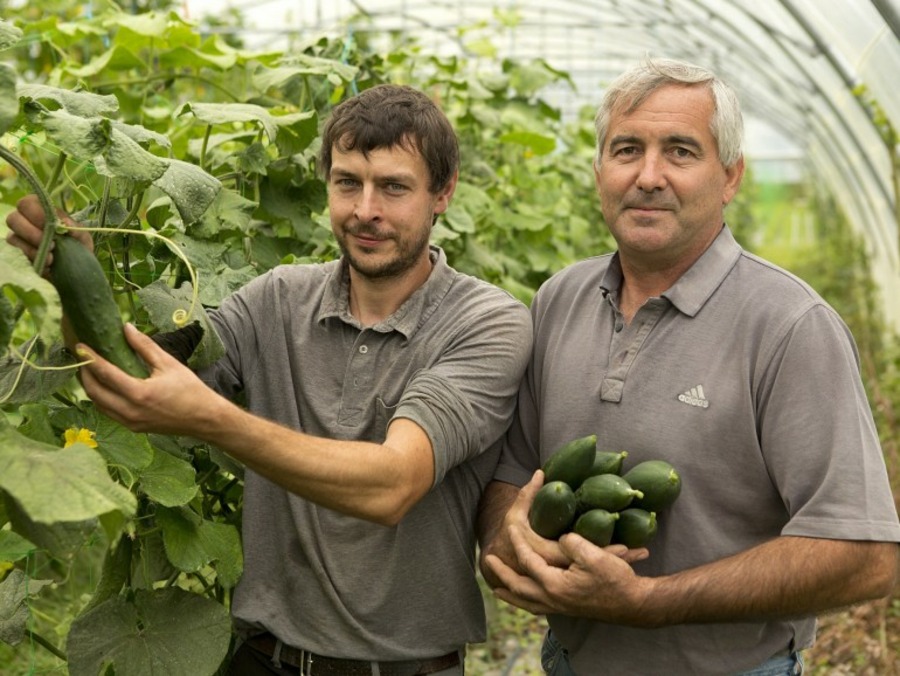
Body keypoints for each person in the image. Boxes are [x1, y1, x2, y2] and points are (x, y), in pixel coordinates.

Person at [6, 84, 533, 675]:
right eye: (347, 183)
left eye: (393, 187)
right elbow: (133, 381)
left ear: (443, 192)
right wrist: (74, 277)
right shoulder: (276, 299)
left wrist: (213, 419)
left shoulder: (487, 322)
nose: (365, 211)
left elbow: (391, 484)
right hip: (261, 660)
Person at [476, 58, 900, 675]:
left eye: (680, 151)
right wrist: (505, 541)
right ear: (599, 173)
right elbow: (513, 472)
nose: (648, 176)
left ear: (730, 177)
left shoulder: (788, 326)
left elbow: (865, 555)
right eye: (626, 150)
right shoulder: (557, 300)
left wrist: (650, 602)